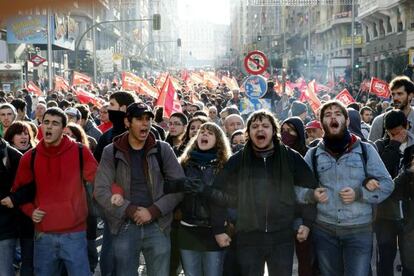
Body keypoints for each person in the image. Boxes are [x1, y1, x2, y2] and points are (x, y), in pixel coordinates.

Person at [211, 109, 318, 276]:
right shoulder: (237, 160)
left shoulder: (291, 157)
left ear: (274, 131)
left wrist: (306, 222)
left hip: (282, 237)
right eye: (255, 126)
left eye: (265, 125)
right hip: (248, 238)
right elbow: (218, 194)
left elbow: (310, 189)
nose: (260, 129)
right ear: (249, 133)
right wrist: (219, 229)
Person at [300, 100, 394, 276]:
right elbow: (296, 189)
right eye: (327, 115)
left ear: (347, 121)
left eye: (337, 114)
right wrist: (311, 194)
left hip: (359, 231)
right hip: (324, 231)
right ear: (322, 123)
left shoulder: (366, 150)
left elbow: (387, 184)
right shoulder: (313, 154)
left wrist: (360, 193)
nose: (333, 117)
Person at [94, 102, 185, 276]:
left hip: (158, 225)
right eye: (139, 119)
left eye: (148, 119)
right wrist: (129, 209)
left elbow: (179, 187)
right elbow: (101, 190)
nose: (145, 123)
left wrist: (153, 211)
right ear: (127, 122)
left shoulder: (163, 149)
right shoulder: (111, 151)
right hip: (125, 226)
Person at [10, 107, 98, 275]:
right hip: (44, 234)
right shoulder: (30, 157)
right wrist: (30, 211)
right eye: (46, 122)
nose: (49, 127)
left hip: (75, 233)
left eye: (55, 123)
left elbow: (100, 181)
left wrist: (117, 194)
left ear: (64, 128)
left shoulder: (80, 152)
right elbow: (18, 191)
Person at [164, 122, 232, 276]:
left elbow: (231, 199)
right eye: (201, 132)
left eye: (210, 133)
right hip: (187, 229)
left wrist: (206, 190)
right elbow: (166, 188)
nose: (204, 135)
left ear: (219, 140)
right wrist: (180, 185)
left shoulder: (225, 166)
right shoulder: (184, 163)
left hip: (214, 232)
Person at [374, 110, 414, 276]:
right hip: (385, 213)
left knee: (410, 261)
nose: (395, 135)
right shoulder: (379, 146)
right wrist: (394, 144)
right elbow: (380, 173)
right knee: (385, 259)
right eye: (391, 133)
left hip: (410, 211)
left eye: (398, 132)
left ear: (407, 126)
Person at [0, 136, 22, 275]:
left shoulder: (12, 155)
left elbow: (28, 186)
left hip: (5, 224)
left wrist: (13, 198)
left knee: (4, 271)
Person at [369, 76, 414, 142]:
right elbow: (372, 149)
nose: (395, 98)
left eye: (399, 94)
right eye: (393, 94)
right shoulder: (380, 121)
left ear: (410, 96)